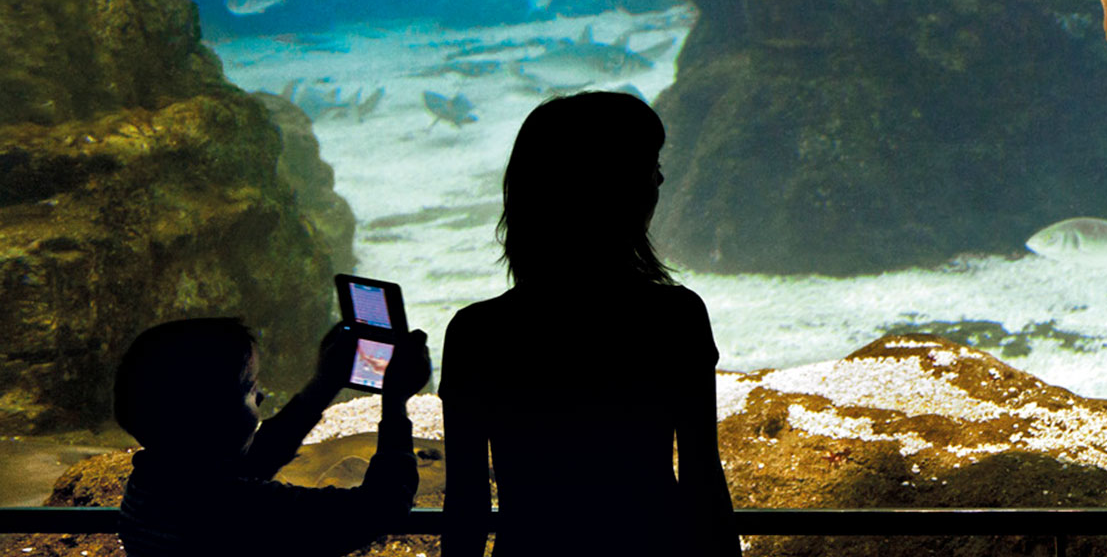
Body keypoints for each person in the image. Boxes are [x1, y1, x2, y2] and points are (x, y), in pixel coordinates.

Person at [440, 91, 739, 557]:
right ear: (610, 187)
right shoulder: (674, 317)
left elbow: (466, 504)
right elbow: (702, 478)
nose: (659, 177)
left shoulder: (475, 332)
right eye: (647, 164)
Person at [114, 316, 432, 557]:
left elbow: (254, 461)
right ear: (210, 413)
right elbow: (379, 508)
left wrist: (326, 382)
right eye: (251, 388)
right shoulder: (239, 510)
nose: (262, 395)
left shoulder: (153, 486)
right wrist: (393, 403)